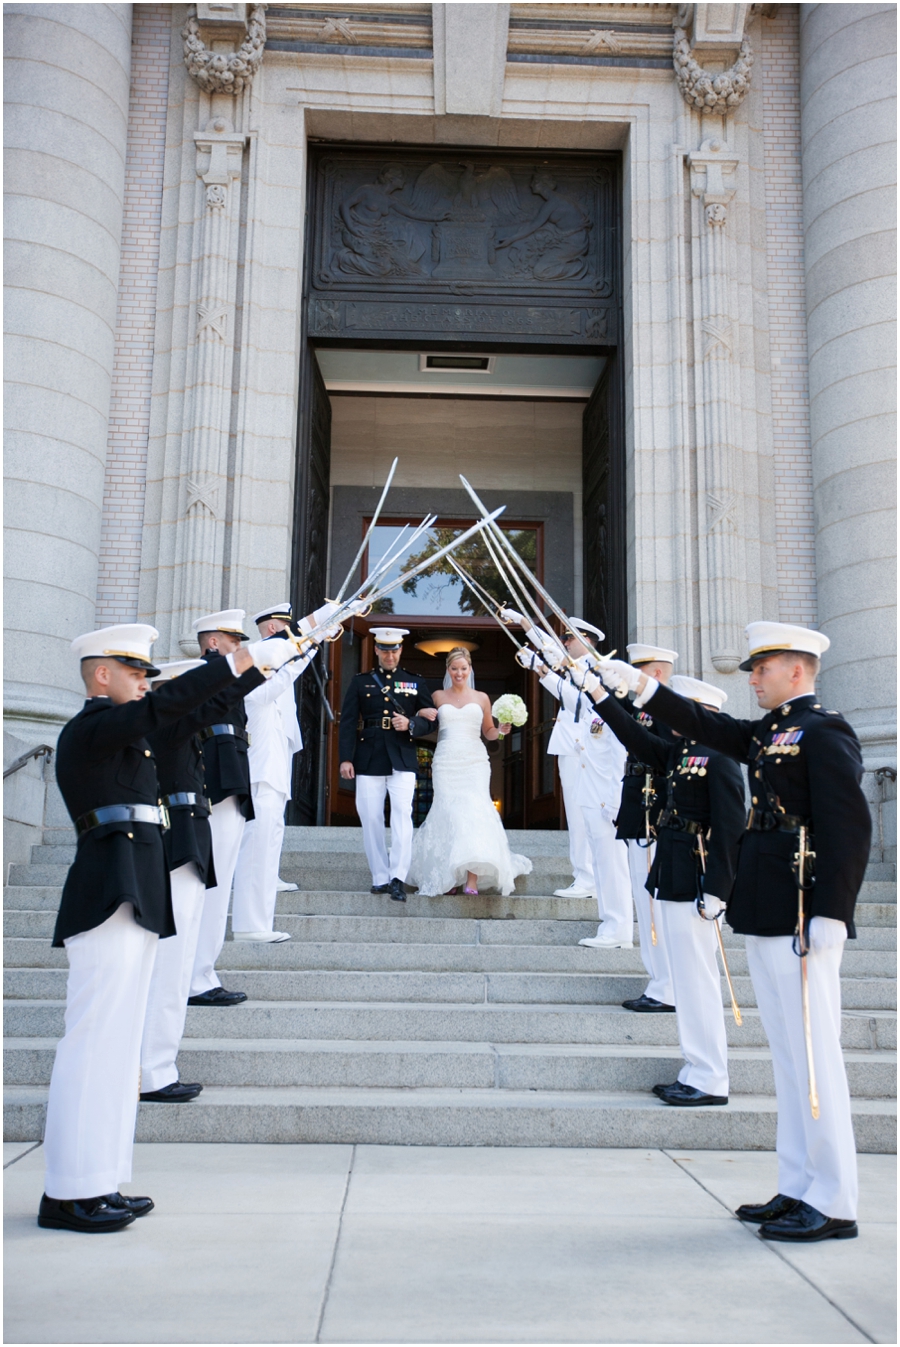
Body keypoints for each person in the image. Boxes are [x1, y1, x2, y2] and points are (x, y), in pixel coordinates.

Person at [596, 622, 871, 1241]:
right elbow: (710, 729)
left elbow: (848, 826)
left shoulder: (825, 732)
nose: (751, 679)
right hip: (768, 906)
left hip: (803, 909)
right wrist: (637, 687)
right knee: (787, 1058)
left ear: (795, 670)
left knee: (813, 1057)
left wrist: (834, 911)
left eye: (762, 669)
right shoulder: (772, 731)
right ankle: (798, 1186)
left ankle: (834, 1200)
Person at [39, 623, 266, 1233]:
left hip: (137, 892)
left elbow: (194, 709)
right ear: (100, 675)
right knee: (94, 1042)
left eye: (145, 673)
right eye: (135, 672)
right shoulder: (89, 728)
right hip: (106, 893)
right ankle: (67, 1190)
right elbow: (168, 704)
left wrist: (259, 664)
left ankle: (99, 1180)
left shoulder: (130, 732)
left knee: (117, 1050)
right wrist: (229, 661)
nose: (146, 682)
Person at [582, 671, 745, 1105]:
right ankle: (695, 1069)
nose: (674, 719)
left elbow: (730, 828)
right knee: (687, 984)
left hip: (696, 883)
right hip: (671, 878)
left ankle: (711, 1077)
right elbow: (636, 738)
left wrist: (718, 890)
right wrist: (599, 694)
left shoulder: (720, 755)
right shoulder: (681, 751)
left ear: (704, 712)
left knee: (698, 983)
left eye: (684, 709)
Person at [139, 655, 266, 1104]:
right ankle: (150, 1071)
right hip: (174, 847)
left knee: (176, 966)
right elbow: (218, 702)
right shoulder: (165, 724)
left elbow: (218, 703)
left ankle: (155, 1068)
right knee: (169, 968)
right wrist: (256, 666)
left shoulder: (179, 728)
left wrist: (267, 663)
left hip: (189, 846)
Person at [513, 621, 632, 949]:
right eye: (564, 637)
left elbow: (576, 698)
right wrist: (527, 631)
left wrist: (539, 664)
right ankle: (584, 876)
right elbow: (551, 653)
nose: (563, 643)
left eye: (569, 638)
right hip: (577, 749)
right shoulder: (576, 665)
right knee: (580, 820)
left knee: (591, 827)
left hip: (591, 754)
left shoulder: (596, 670)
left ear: (587, 641)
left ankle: (588, 880)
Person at [407, 647, 532, 896]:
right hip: (445, 760)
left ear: (470, 669)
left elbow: (488, 732)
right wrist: (420, 712)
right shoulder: (437, 696)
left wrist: (501, 731)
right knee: (449, 813)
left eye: (463, 668)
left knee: (474, 812)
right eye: (454, 668)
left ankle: (471, 879)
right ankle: (449, 876)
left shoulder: (482, 698)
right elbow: (424, 721)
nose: (459, 673)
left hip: (474, 761)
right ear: (448, 670)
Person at [231, 603, 316, 943]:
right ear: (270, 631)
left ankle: (259, 921)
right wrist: (304, 651)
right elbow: (273, 688)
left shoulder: (274, 670)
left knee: (268, 845)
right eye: (283, 629)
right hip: (258, 771)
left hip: (274, 771)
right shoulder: (252, 674)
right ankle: (251, 925)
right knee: (256, 848)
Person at [187, 611, 257, 1007]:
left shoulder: (223, 676)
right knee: (212, 884)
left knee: (218, 882)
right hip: (215, 775)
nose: (239, 647)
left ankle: (199, 971)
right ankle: (197, 977)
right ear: (213, 643)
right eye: (233, 640)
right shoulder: (208, 674)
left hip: (228, 773)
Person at [338, 628, 436, 902]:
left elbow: (431, 719)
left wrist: (412, 724)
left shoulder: (413, 682)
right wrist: (346, 757)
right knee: (371, 818)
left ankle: (398, 877)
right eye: (385, 650)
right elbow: (347, 722)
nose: (390, 655)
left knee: (402, 817)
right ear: (377, 651)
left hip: (402, 756)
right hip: (369, 756)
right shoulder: (360, 682)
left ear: (401, 651)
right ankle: (379, 876)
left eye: (394, 650)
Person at [616, 644, 679, 1014]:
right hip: (637, 805)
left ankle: (666, 987)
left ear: (654, 674)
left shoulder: (668, 710)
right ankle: (658, 981)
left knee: (654, 904)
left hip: (653, 812)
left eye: (636, 670)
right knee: (645, 902)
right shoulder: (640, 706)